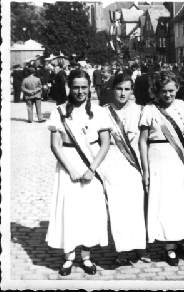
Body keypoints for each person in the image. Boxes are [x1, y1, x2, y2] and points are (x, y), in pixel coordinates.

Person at [46, 70, 111, 276]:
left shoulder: (99, 111)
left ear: (90, 86)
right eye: (76, 87)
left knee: (88, 210)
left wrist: (92, 168)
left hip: (91, 163)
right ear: (69, 88)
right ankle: (69, 257)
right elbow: (55, 145)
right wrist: (71, 169)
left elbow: (105, 143)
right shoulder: (59, 111)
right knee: (69, 209)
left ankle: (86, 256)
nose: (80, 91)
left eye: (84, 87)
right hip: (68, 166)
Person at [138, 71, 184, 266]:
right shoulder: (150, 109)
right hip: (157, 156)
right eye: (164, 91)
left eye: (171, 90)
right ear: (156, 92)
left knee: (178, 201)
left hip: (179, 158)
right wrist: (146, 169)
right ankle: (169, 247)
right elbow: (142, 141)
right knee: (163, 202)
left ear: (177, 89)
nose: (168, 95)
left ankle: (180, 237)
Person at [101, 73, 148, 264]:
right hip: (112, 162)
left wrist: (146, 169)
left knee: (137, 206)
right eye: (119, 89)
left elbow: (146, 141)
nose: (122, 93)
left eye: (127, 89)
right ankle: (122, 250)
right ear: (112, 90)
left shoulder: (141, 110)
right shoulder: (103, 112)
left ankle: (140, 247)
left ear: (132, 91)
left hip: (133, 162)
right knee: (118, 207)